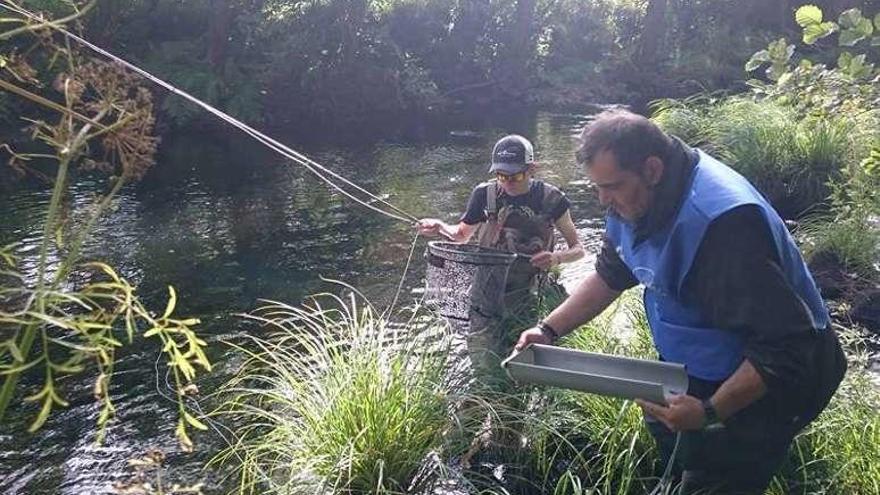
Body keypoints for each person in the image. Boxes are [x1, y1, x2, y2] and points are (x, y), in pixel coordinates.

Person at [515, 110, 846, 494]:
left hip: (774, 380)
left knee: (720, 479)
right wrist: (548, 329)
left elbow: (786, 344)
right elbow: (611, 274)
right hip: (703, 363)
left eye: (613, 186)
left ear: (652, 170)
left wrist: (710, 411)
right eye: (597, 188)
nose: (604, 200)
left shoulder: (723, 227)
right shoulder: (632, 200)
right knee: (684, 451)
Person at [418, 134, 585, 310]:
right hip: (487, 290)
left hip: (534, 290)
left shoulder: (551, 199)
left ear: (531, 169)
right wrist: (440, 227)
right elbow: (461, 236)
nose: (508, 183)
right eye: (502, 176)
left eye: (516, 176)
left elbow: (578, 250)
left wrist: (557, 258)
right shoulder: (484, 195)